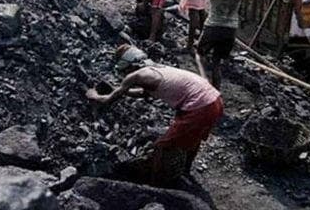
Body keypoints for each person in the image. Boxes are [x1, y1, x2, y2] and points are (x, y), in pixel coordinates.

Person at [86, 45, 223, 185]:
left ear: (129, 65)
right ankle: (185, 171)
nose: (125, 73)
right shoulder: (158, 69)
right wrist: (120, 91)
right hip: (214, 100)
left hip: (199, 107)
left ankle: (158, 183)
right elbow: (143, 93)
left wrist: (94, 95)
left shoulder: (136, 76)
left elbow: (107, 100)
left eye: (125, 69)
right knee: (195, 139)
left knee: (163, 146)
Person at [194, 0, 247, 89]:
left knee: (199, 54)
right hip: (231, 29)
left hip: (213, 25)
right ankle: (216, 90)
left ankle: (204, 83)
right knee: (217, 61)